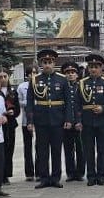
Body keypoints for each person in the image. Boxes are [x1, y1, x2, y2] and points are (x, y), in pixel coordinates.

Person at [26, 49, 74, 189]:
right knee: (42, 150)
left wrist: (68, 119)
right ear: (41, 64)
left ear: (54, 63)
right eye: (45, 62)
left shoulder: (62, 79)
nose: (47, 65)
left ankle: (56, 177)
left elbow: (68, 102)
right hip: (41, 120)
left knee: (56, 150)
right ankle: (44, 177)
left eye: (50, 62)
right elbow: (30, 102)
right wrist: (30, 121)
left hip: (57, 119)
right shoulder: (35, 80)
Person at [75, 54, 104, 186]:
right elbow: (77, 104)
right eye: (91, 67)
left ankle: (101, 175)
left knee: (102, 149)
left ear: (101, 68)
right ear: (88, 68)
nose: (94, 70)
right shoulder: (82, 83)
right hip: (87, 121)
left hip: (102, 121)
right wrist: (78, 120)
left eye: (96, 67)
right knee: (88, 150)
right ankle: (91, 176)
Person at [60, 61, 85, 182]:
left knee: (80, 148)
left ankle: (80, 172)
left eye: (73, 72)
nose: (70, 75)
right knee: (68, 148)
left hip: (79, 122)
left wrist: (80, 121)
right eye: (68, 73)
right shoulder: (62, 87)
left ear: (77, 74)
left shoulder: (81, 86)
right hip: (66, 122)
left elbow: (83, 105)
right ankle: (70, 172)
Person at [0, 69, 20, 184]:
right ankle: (0, 174)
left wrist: (13, 112)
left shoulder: (12, 91)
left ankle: (7, 174)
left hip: (10, 123)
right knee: (1, 150)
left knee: (9, 149)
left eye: (4, 76)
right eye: (0, 77)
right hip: (0, 124)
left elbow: (17, 108)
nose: (2, 79)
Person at [17, 66, 36, 181]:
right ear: (27, 75)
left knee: (40, 147)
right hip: (26, 120)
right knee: (27, 147)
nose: (32, 75)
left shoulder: (41, 85)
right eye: (30, 73)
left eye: (34, 73)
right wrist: (30, 102)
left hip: (39, 120)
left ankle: (40, 171)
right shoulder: (22, 87)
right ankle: (29, 173)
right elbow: (19, 101)